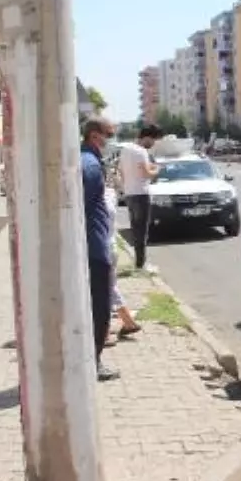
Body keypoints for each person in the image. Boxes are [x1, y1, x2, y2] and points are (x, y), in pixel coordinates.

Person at [81, 116, 120, 382]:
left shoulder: (87, 160)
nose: (110, 139)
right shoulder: (91, 164)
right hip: (94, 247)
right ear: (95, 135)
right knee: (100, 307)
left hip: (91, 243)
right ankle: (93, 362)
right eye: (109, 134)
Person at [119, 125, 162, 270]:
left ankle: (138, 262)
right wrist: (157, 169)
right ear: (147, 137)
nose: (154, 143)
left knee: (135, 229)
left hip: (129, 194)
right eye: (154, 140)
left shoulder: (125, 150)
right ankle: (141, 264)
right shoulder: (141, 151)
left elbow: (121, 172)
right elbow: (146, 173)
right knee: (142, 231)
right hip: (141, 194)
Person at [104, 188, 140, 346]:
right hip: (111, 247)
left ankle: (104, 332)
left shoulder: (90, 198)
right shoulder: (110, 194)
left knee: (102, 291)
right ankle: (128, 322)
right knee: (110, 287)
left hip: (101, 248)